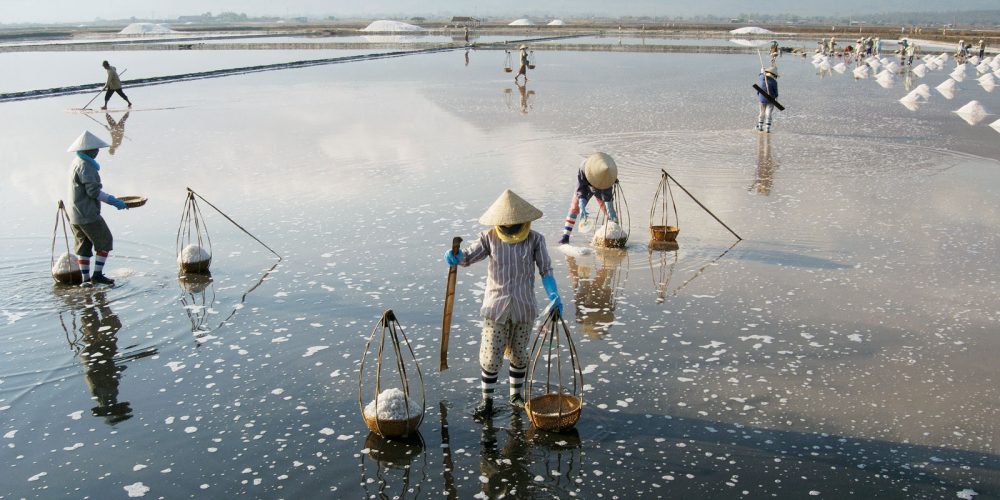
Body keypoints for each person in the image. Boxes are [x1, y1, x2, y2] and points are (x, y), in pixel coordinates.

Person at [443, 189, 562, 419]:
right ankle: (487, 401)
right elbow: (467, 256)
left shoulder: (535, 240)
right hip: (495, 308)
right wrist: (455, 257)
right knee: (491, 355)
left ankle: (515, 396)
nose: (510, 229)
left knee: (519, 353)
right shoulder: (490, 238)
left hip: (524, 307)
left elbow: (545, 270)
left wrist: (554, 294)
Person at [66, 131, 128, 286]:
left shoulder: (76, 162)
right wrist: (114, 201)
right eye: (96, 150)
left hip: (74, 213)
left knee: (83, 247)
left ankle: (85, 280)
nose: (97, 152)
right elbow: (93, 192)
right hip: (87, 214)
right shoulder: (86, 166)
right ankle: (97, 275)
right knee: (105, 241)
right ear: (89, 150)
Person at [559, 152, 619, 245]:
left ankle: (614, 237)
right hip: (586, 185)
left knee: (609, 212)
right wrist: (582, 203)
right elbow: (581, 187)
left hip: (601, 186)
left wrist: (609, 206)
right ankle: (565, 236)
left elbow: (607, 195)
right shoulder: (584, 167)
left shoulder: (608, 175)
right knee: (575, 207)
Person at [755, 66, 779, 133]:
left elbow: (760, 74)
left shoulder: (762, 78)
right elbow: (776, 92)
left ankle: (760, 126)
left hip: (761, 98)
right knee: (768, 113)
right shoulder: (774, 82)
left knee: (761, 112)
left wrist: (762, 70)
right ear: (774, 75)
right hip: (771, 99)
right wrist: (776, 97)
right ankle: (767, 128)